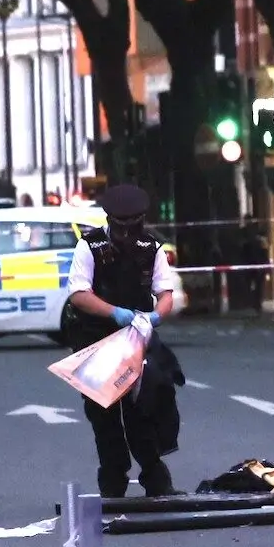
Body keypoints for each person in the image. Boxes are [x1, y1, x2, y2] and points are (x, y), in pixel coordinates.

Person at [65, 183, 181, 498]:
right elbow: (79, 295)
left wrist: (155, 316)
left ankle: (157, 480)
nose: (128, 234)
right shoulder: (88, 246)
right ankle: (113, 485)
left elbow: (165, 294)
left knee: (144, 408)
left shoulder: (152, 246)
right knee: (104, 416)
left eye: (135, 225)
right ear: (110, 220)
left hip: (135, 337)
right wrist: (115, 313)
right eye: (122, 226)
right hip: (95, 337)